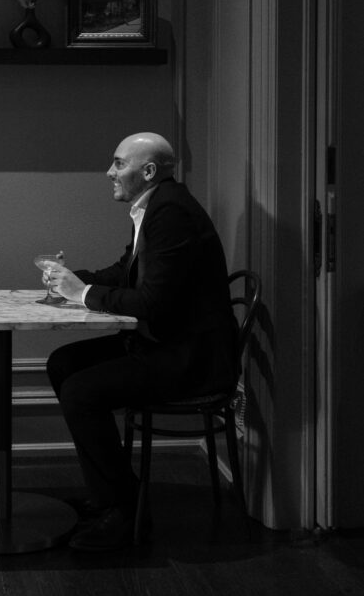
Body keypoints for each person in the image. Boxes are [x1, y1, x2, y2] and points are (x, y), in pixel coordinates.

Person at [44, 132, 238, 551]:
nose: (109, 172)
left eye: (118, 164)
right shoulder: (157, 206)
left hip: (189, 358)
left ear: (148, 171)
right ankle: (115, 494)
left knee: (80, 392)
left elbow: (153, 302)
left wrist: (81, 294)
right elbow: (126, 269)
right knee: (63, 364)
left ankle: (123, 511)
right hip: (164, 343)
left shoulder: (171, 213)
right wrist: (77, 280)